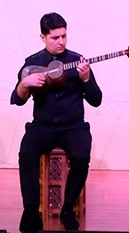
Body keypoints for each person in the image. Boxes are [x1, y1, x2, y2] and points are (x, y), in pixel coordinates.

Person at [11, 12, 103, 232]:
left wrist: (86, 79)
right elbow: (17, 99)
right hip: (42, 126)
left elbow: (96, 100)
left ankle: (67, 209)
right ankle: (31, 211)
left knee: (81, 156)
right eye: (55, 37)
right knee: (26, 153)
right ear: (43, 37)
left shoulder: (78, 61)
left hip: (73, 126)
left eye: (64, 36)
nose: (61, 41)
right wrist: (25, 84)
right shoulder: (32, 63)